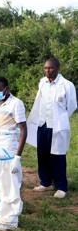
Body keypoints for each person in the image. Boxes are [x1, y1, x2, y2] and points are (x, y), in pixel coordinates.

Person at [27, 57, 77, 199]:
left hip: (57, 126)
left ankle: (61, 186)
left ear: (57, 68)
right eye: (45, 68)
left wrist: (60, 119)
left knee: (58, 156)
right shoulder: (42, 83)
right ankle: (45, 182)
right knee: (42, 154)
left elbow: (71, 106)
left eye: (50, 68)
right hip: (42, 124)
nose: (47, 71)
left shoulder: (67, 85)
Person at [0, 77, 27, 231]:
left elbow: (23, 130)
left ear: (7, 89)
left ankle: (10, 221)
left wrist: (17, 157)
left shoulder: (16, 104)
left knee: (9, 186)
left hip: (8, 151)